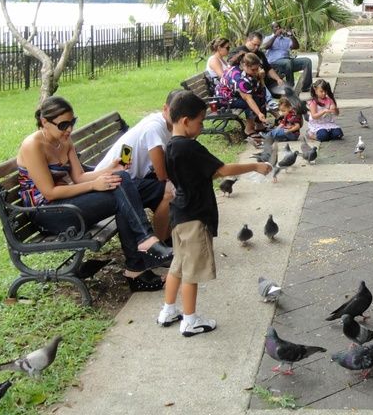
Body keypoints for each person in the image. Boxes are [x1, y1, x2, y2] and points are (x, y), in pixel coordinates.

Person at [16, 97, 173, 293]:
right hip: (48, 213)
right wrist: (95, 185)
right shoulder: (33, 145)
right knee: (121, 192)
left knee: (121, 179)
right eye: (63, 124)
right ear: (44, 122)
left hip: (67, 203)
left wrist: (109, 169)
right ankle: (141, 255)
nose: (69, 129)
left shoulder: (64, 140)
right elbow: (49, 192)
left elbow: (79, 176)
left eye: (72, 122)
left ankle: (140, 261)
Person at [156, 90, 272, 335]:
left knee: (178, 264)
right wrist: (255, 165)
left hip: (179, 216)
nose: (201, 127)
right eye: (200, 122)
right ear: (186, 121)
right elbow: (222, 169)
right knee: (191, 272)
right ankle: (190, 320)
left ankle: (168, 310)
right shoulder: (190, 148)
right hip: (194, 217)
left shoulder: (171, 146)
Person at [94, 89, 182, 241]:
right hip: (113, 185)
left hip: (125, 180)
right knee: (170, 190)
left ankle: (168, 238)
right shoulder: (154, 128)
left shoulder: (163, 124)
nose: (177, 118)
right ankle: (161, 244)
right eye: (175, 112)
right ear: (165, 108)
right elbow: (162, 174)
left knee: (172, 187)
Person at [262, 21, 313, 92]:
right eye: (276, 27)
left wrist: (291, 36)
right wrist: (275, 36)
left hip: (288, 61)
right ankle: (290, 86)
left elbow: (296, 46)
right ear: (272, 29)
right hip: (275, 63)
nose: (278, 28)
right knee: (287, 62)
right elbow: (266, 47)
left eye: (279, 26)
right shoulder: (268, 38)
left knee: (307, 61)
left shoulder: (286, 39)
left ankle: (306, 87)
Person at [235, 31, 287, 98]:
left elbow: (268, 68)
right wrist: (256, 74)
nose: (256, 47)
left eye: (258, 45)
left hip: (266, 80)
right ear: (248, 40)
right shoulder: (237, 52)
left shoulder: (260, 54)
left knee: (285, 89)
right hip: (250, 83)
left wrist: (278, 79)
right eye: (254, 44)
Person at [230, 52, 269, 138]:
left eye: (257, 69)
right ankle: (249, 129)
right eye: (253, 70)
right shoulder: (240, 79)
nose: (255, 72)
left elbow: (261, 88)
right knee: (250, 102)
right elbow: (248, 98)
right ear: (244, 65)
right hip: (226, 98)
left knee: (260, 94)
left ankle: (259, 125)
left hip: (237, 95)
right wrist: (259, 113)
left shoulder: (247, 72)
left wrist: (261, 78)